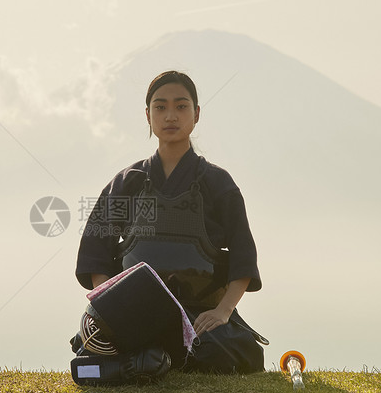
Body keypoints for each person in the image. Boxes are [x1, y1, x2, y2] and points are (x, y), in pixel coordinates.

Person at [74, 70, 267, 375]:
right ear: (147, 115)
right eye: (160, 107)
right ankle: (154, 355)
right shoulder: (127, 182)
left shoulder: (218, 182)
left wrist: (223, 311)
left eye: (181, 106)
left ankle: (152, 357)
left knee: (231, 351)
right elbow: (95, 253)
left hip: (199, 316)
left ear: (197, 113)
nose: (170, 116)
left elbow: (244, 256)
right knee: (95, 348)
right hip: (133, 312)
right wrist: (113, 309)